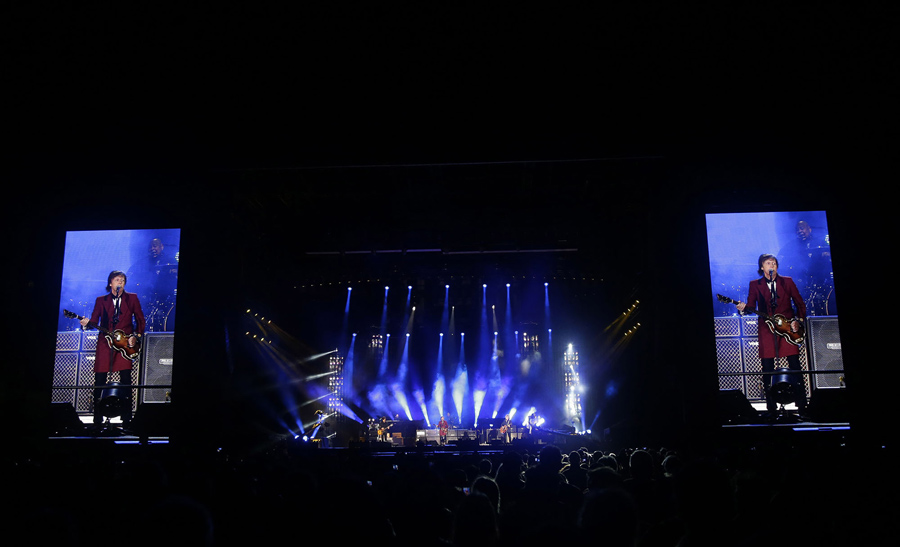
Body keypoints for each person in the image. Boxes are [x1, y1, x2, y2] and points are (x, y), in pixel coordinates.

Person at [736, 254, 809, 419]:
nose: (772, 265)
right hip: (766, 329)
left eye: (774, 263)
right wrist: (743, 308)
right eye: (768, 263)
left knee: (795, 366)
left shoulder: (787, 281)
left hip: (788, 328)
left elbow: (800, 303)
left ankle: (802, 405)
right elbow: (750, 305)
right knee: (767, 368)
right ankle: (771, 407)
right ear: (762, 267)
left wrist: (798, 321)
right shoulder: (755, 284)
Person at [80, 270, 145, 430]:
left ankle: (127, 419)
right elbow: (95, 320)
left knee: (126, 380)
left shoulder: (132, 298)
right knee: (100, 381)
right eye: (117, 280)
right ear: (110, 283)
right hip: (105, 343)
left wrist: (135, 336)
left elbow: (140, 320)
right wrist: (86, 324)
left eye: (122, 280)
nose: (120, 282)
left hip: (125, 344)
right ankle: (97, 418)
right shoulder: (101, 300)